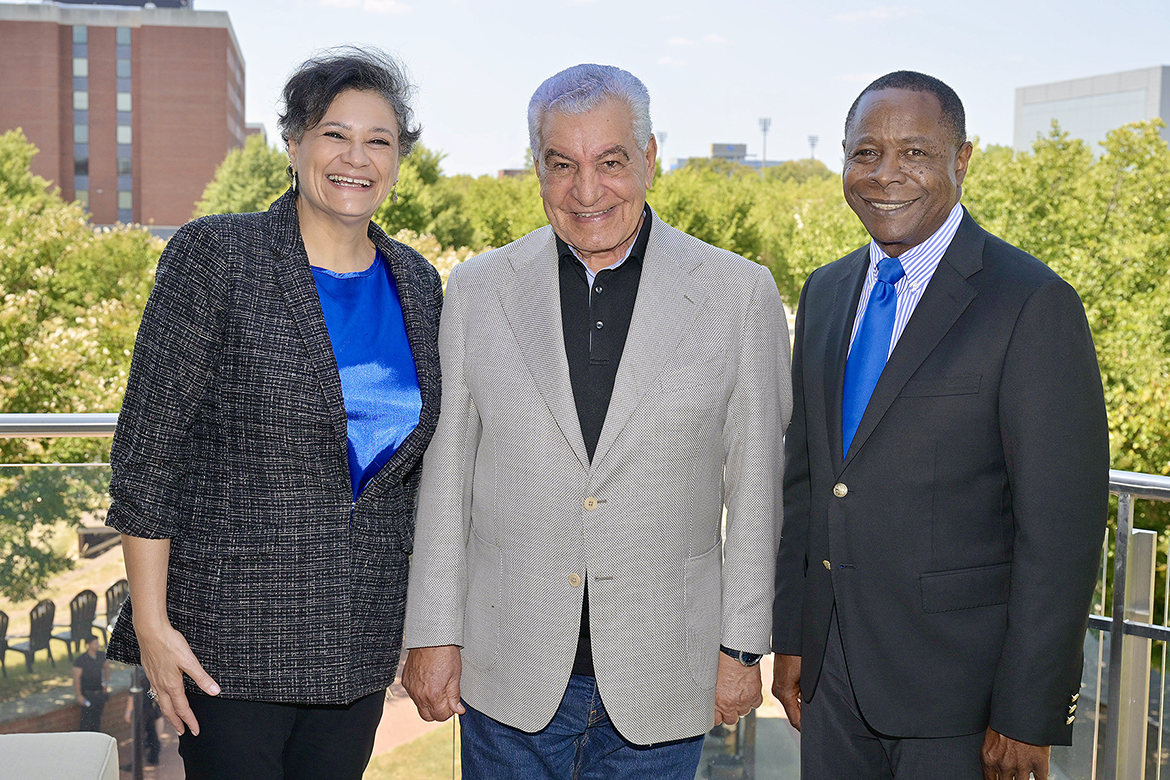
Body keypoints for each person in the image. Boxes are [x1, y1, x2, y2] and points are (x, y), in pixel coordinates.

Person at [401, 63, 791, 780]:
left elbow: (759, 487)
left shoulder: (739, 295)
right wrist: (432, 634)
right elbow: (447, 476)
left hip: (667, 671)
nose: (586, 191)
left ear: (648, 159)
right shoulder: (480, 290)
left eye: (610, 162)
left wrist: (742, 647)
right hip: (507, 673)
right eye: (562, 165)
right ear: (537, 170)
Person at [104, 47, 442, 780]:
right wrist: (154, 626)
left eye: (378, 141)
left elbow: (417, 481)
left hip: (355, 654)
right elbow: (146, 455)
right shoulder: (218, 255)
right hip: (228, 649)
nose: (357, 157)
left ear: (398, 159)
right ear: (293, 143)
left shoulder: (417, 282)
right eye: (334, 134)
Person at [771, 70, 1110, 780]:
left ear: (962, 161)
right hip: (833, 688)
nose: (885, 174)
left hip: (964, 705)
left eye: (915, 153)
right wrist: (796, 639)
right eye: (865, 153)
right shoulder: (827, 292)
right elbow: (808, 485)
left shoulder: (1031, 304)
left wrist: (1029, 709)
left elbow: (1061, 531)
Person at [73, 635, 110, 732]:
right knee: (86, 721)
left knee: (97, 720)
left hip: (98, 693)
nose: (97, 645)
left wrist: (106, 682)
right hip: (87, 694)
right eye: (95, 643)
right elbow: (76, 679)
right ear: (88, 645)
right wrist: (79, 695)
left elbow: (107, 666)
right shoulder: (81, 660)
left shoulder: (101, 655)